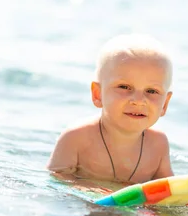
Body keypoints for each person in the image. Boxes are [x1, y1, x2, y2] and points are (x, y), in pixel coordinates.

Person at [47, 33, 174, 185]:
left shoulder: (158, 144)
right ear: (97, 94)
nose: (139, 101)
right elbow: (56, 178)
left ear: (165, 104)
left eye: (152, 91)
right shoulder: (76, 138)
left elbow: (168, 189)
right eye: (124, 87)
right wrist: (88, 189)